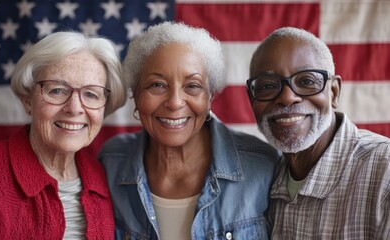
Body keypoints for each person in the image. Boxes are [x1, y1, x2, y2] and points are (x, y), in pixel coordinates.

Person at [98, 21, 280, 240]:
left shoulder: (263, 166)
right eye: (157, 85)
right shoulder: (110, 163)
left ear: (210, 96)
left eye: (192, 86)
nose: (175, 103)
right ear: (135, 94)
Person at [0, 31, 127, 239]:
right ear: (28, 100)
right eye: (57, 90)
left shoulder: (105, 178)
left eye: (91, 94)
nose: (74, 108)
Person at [245, 26, 390, 239]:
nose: (287, 97)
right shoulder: (260, 178)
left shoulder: (384, 172)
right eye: (267, 85)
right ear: (252, 99)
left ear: (333, 92)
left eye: (306, 81)